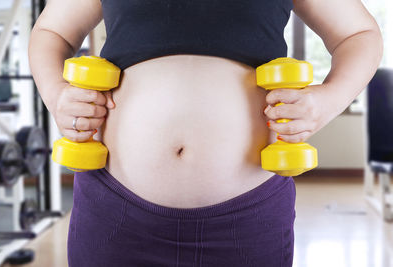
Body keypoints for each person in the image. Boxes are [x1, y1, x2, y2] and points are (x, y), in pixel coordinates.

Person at [28, 0, 383, 266]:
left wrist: (325, 102)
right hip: (116, 212)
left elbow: (359, 34)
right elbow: (51, 32)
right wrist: (57, 95)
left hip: (246, 218)